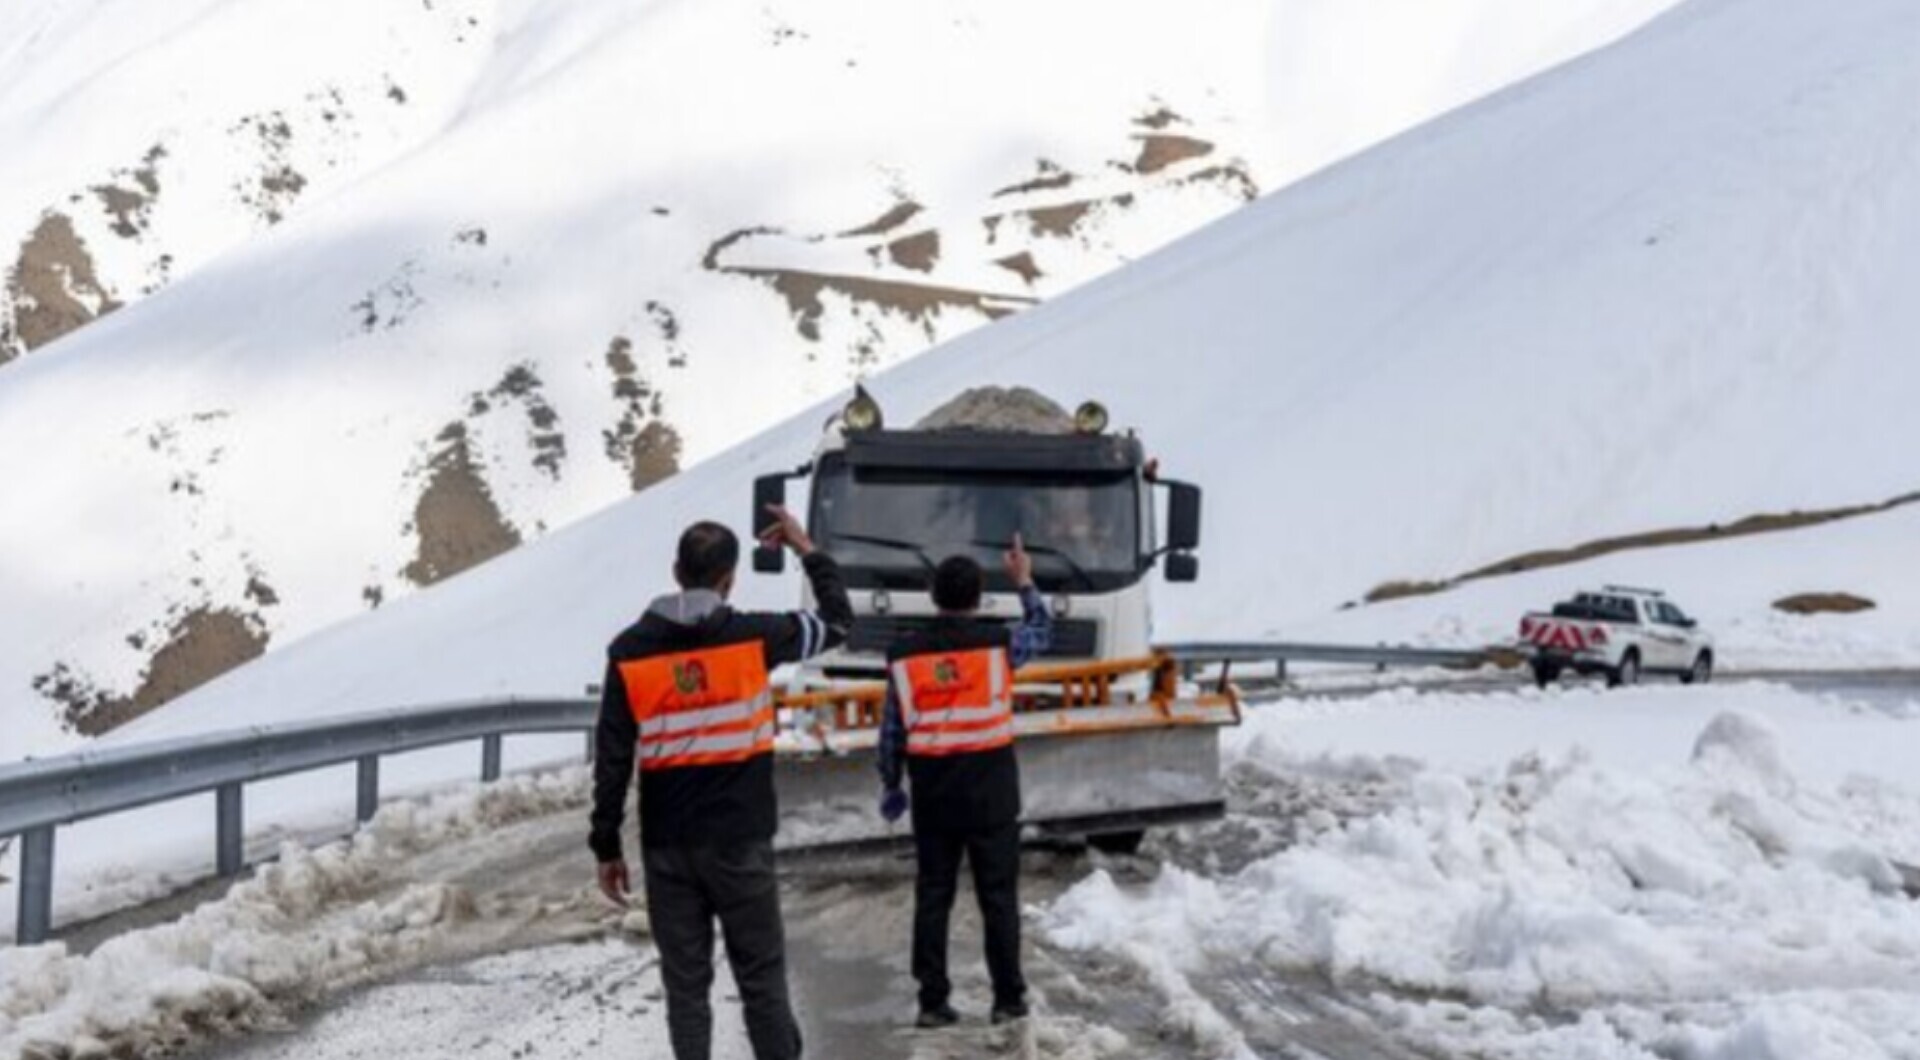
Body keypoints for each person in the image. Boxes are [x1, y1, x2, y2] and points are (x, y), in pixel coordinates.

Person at [590, 508, 852, 1060]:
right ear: (729, 579)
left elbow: (613, 757)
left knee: (686, 992)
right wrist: (806, 547)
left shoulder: (629, 651)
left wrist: (606, 844)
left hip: (666, 846)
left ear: (675, 570)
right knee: (761, 981)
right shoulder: (757, 636)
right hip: (740, 841)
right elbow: (839, 620)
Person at [876, 535, 1052, 1028]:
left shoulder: (905, 656)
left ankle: (932, 1002)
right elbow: (1042, 627)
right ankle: (1008, 999)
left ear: (934, 596)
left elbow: (892, 731)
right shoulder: (1001, 644)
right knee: (998, 898)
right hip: (993, 796)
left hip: (934, 796)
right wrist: (1024, 581)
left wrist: (892, 785)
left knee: (933, 897)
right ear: (978, 598)